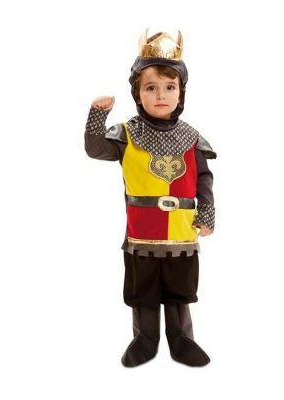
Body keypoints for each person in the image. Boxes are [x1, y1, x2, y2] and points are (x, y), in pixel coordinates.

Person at [84, 29, 216, 367]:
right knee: (143, 292)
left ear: (181, 92)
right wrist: (98, 115)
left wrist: (207, 213)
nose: (161, 95)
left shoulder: (192, 138)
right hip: (142, 233)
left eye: (170, 87)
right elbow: (95, 149)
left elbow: (203, 178)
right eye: (151, 87)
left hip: (181, 233)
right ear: (137, 93)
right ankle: (145, 341)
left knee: (179, 292)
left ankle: (182, 341)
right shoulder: (127, 135)